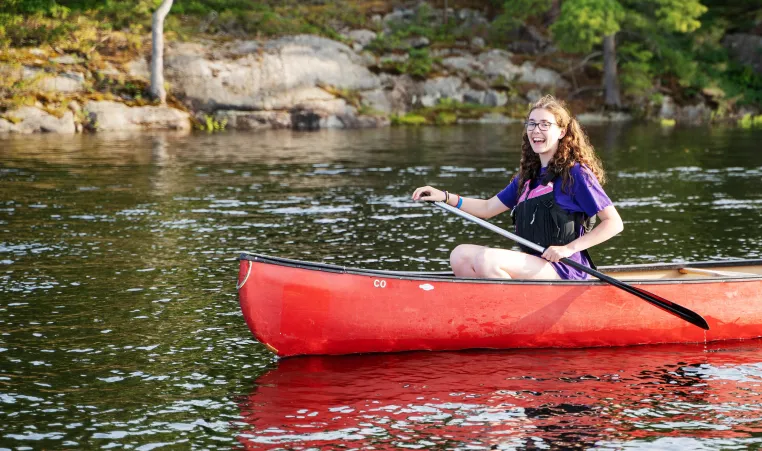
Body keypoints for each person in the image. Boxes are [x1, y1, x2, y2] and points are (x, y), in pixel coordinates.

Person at [411, 95, 624, 280]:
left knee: (489, 260)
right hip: (533, 264)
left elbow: (614, 223)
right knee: (460, 255)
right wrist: (444, 197)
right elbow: (487, 209)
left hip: (565, 269)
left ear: (561, 132)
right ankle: (486, 315)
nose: (536, 130)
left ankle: (506, 319)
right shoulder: (526, 179)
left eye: (544, 124)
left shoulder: (576, 173)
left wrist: (568, 249)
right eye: (531, 124)